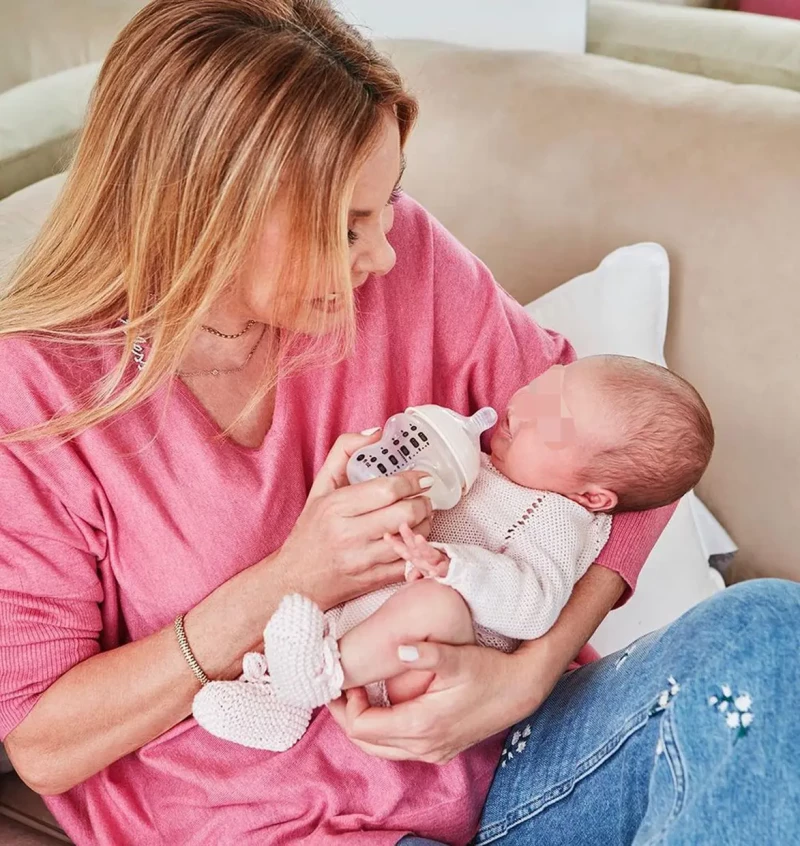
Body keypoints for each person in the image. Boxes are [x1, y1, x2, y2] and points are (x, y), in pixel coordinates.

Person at [0, 2, 796, 844]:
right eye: (346, 228)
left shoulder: (407, 260)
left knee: (770, 631)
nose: (382, 252)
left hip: (528, 766)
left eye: (387, 205)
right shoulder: (40, 390)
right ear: (213, 208)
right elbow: (45, 744)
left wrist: (528, 674)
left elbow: (628, 455)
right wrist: (289, 581)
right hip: (273, 826)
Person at [193, 355, 714, 753]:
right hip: (370, 624)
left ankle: (307, 682)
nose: (525, 403)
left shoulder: (563, 521)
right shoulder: (492, 465)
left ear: (593, 495)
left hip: (427, 672)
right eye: (549, 383)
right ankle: (276, 692)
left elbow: (533, 610)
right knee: (326, 599)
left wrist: (453, 567)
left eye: (553, 419)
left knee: (437, 605)